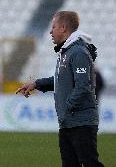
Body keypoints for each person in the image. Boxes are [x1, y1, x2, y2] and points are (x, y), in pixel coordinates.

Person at [16, 11, 104, 167]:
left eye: (53, 27)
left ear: (63, 28)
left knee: (90, 164)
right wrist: (36, 84)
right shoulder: (66, 51)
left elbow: (83, 86)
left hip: (81, 122)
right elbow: (60, 80)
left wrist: (67, 107)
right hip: (68, 122)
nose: (50, 31)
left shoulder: (78, 52)